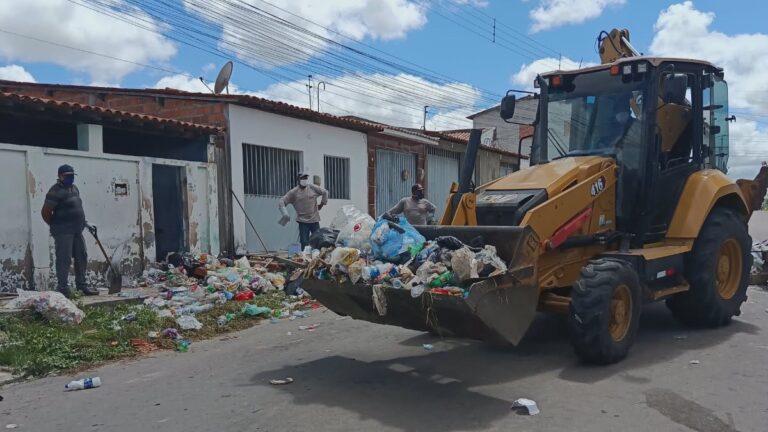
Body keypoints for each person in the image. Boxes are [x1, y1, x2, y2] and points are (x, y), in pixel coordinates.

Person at [41, 164, 99, 297]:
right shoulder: (54, 191)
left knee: (81, 257)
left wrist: (85, 222)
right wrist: (56, 225)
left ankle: (82, 286)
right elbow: (45, 212)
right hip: (63, 231)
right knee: (64, 259)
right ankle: (63, 288)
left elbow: (76, 208)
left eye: (72, 175)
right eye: (67, 176)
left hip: (78, 230)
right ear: (60, 176)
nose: (70, 178)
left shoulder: (74, 188)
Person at [278, 172, 329, 249]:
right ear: (298, 179)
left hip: (314, 220)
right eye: (302, 178)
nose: (304, 180)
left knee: (318, 240)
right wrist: (285, 214)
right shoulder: (294, 192)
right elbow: (282, 201)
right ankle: (305, 258)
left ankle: (317, 257)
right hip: (303, 222)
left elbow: (325, 192)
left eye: (305, 178)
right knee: (304, 242)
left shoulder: (312, 187)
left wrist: (322, 204)